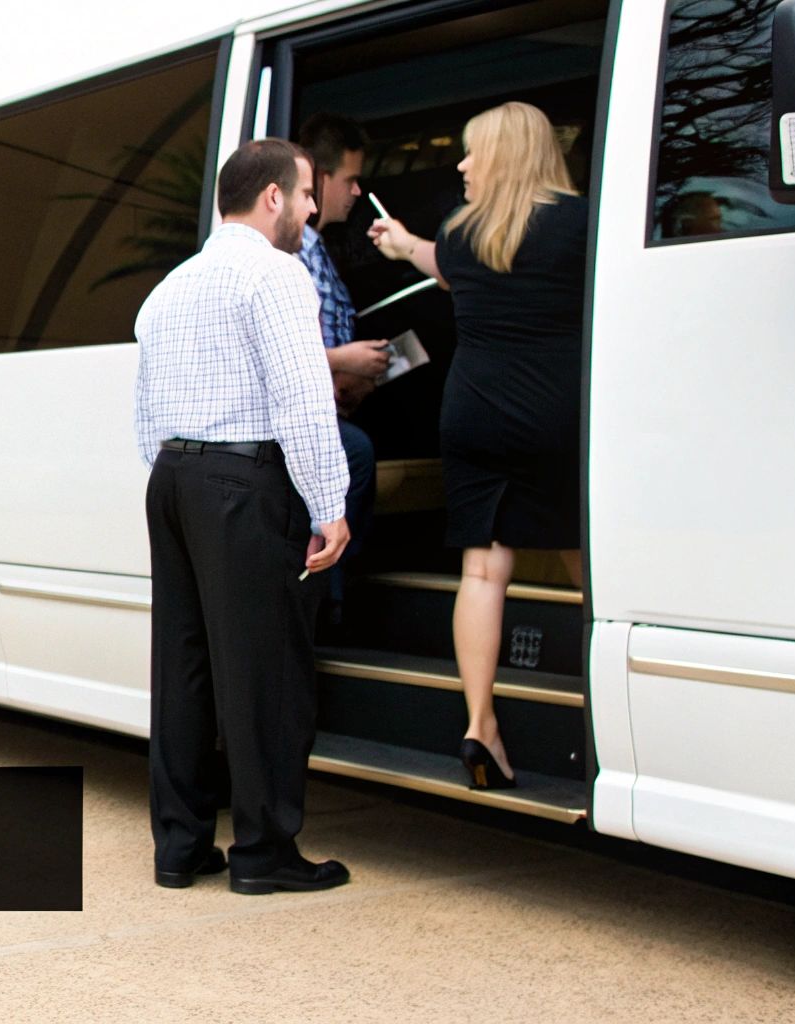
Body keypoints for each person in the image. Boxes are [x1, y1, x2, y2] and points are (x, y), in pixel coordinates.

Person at [134, 138, 352, 895]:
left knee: (183, 667)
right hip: (241, 480)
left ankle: (180, 847)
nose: (311, 210)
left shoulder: (172, 285)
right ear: (270, 198)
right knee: (263, 671)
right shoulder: (275, 275)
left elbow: (145, 409)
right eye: (304, 196)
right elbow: (302, 397)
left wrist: (176, 475)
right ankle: (264, 854)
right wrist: (330, 504)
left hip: (173, 475)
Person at [367, 101, 585, 790]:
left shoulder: (464, 234)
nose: (460, 164)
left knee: (483, 573)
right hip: (555, 417)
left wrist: (405, 245)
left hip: (473, 414)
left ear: (505, 156)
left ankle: (479, 722)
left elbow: (447, 265)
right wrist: (408, 246)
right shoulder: (583, 226)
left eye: (471, 153)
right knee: (588, 569)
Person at [293, 114, 388, 614]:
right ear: (320, 178)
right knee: (355, 453)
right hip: (309, 410)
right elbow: (283, 344)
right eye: (349, 180)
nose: (355, 192)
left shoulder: (319, 249)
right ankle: (327, 595)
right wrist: (340, 360)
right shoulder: (292, 250)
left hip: (334, 398)